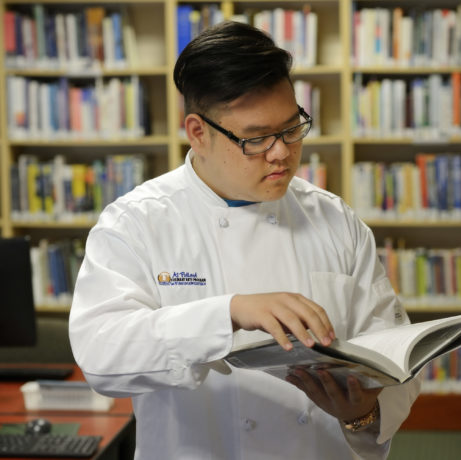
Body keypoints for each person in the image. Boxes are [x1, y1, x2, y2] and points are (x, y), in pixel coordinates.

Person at [68, 21, 420, 460]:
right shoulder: (137, 223)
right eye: (256, 139)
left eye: (292, 128)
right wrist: (228, 313)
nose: (281, 152)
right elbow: (102, 356)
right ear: (197, 132)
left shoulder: (334, 220)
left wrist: (364, 410)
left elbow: (394, 356)